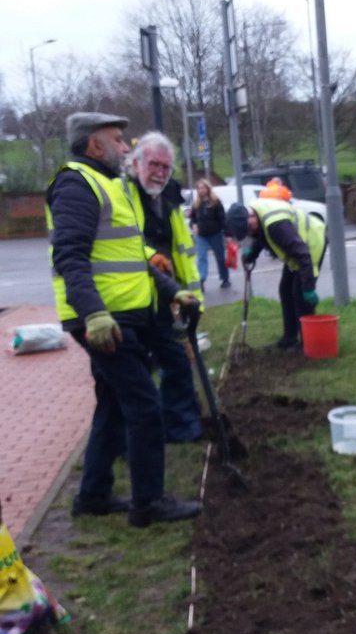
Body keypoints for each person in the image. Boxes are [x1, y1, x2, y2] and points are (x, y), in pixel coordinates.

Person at [46, 111, 202, 528]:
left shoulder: (111, 186)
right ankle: (148, 503)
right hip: (105, 321)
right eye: (118, 139)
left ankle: (93, 495)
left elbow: (132, 260)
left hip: (124, 316)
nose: (125, 147)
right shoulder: (76, 184)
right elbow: (70, 258)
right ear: (94, 144)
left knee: (114, 404)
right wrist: (94, 314)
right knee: (145, 404)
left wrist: (173, 291)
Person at [127, 131, 203, 444]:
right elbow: (123, 244)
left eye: (166, 167)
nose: (159, 173)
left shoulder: (170, 198)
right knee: (132, 375)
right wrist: (151, 257)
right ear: (136, 164)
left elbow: (184, 252)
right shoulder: (122, 195)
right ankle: (128, 439)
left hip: (164, 298)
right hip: (130, 300)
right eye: (154, 165)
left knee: (176, 363)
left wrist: (192, 298)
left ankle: (181, 426)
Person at [226, 180, 327, 351]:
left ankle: (307, 343)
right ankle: (289, 338)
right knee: (285, 289)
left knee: (299, 293)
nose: (251, 232)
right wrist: (253, 252)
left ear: (250, 216)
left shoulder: (276, 225)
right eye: (248, 232)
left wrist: (308, 287)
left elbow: (303, 255)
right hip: (296, 250)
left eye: (249, 229)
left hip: (311, 244)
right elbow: (261, 233)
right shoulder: (255, 213)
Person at [190, 177, 230, 290]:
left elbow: (223, 219)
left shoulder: (215, 202)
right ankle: (201, 280)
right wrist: (193, 224)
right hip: (201, 235)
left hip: (215, 234)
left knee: (220, 257)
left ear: (208, 189)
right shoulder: (196, 203)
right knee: (202, 257)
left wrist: (227, 235)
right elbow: (192, 217)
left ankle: (225, 278)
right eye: (199, 188)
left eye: (203, 188)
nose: (201, 190)